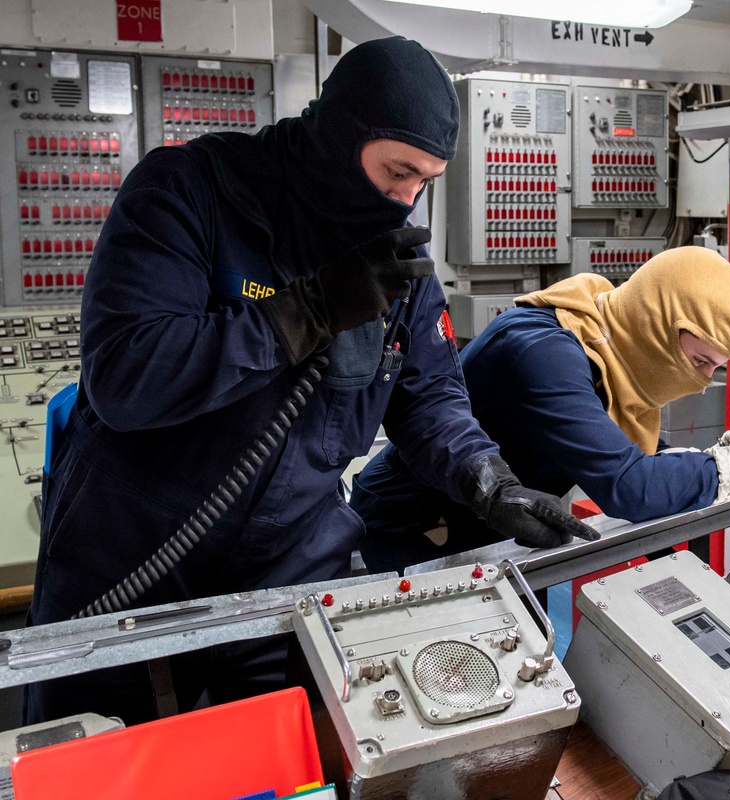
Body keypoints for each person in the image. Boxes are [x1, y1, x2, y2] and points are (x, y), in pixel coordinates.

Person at [25, 36, 596, 726]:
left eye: (425, 182)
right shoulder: (189, 192)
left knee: (298, 762)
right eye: (396, 171)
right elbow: (127, 377)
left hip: (288, 570)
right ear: (341, 134)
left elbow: (429, 396)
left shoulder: (391, 258)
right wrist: (307, 312)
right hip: (133, 563)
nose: (406, 197)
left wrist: (488, 481)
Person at [351, 246, 730, 575]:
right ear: (656, 322)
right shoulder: (546, 354)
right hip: (414, 536)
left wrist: (707, 463)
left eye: (713, 368)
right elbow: (629, 487)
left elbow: (620, 447)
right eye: (698, 361)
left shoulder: (598, 332)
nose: (698, 383)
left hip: (496, 535)